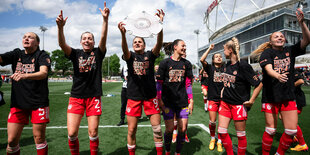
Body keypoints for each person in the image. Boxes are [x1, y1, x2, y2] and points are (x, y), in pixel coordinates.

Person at [251, 8, 310, 155]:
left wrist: (302, 23)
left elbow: (307, 40)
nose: (280, 37)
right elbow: (269, 69)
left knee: (291, 130)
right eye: (276, 36)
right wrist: (277, 75)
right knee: (271, 129)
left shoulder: (290, 51)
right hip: (271, 96)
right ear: (270, 41)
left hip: (288, 95)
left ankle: (279, 153)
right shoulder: (267, 53)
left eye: (281, 36)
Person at [56, 2, 109, 155]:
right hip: (76, 97)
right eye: (84, 38)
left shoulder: (98, 53)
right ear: (81, 42)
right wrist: (60, 28)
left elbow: (104, 37)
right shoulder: (75, 54)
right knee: (72, 134)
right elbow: (61, 44)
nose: (87, 40)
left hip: (94, 97)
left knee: (93, 132)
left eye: (90, 38)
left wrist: (105, 20)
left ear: (93, 41)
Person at [118, 9, 165, 155]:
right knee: (131, 130)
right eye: (135, 42)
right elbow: (124, 49)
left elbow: (159, 43)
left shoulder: (150, 55)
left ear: (144, 45)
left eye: (140, 42)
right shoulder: (130, 56)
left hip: (150, 97)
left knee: (157, 129)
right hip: (133, 97)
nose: (137, 43)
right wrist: (123, 34)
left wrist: (160, 25)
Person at [0, 32, 51, 155]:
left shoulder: (42, 55)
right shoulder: (16, 53)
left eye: (30, 37)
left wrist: (24, 75)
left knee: (39, 138)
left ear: (37, 42)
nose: (26, 38)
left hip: (38, 103)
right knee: (11, 141)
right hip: (18, 103)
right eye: (24, 37)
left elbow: (43, 73)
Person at [219, 37, 263, 155]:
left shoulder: (243, 66)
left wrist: (252, 100)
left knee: (240, 136)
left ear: (230, 50)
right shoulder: (227, 65)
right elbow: (229, 81)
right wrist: (224, 89)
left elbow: (258, 84)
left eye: (224, 50)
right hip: (225, 104)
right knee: (222, 132)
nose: (223, 53)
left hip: (239, 105)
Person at [157, 39, 194, 155]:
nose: (184, 48)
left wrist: (191, 99)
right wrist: (160, 100)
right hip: (167, 102)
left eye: (185, 46)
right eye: (183, 46)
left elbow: (188, 83)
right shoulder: (164, 63)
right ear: (175, 47)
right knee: (168, 130)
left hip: (182, 102)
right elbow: (159, 83)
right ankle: (167, 151)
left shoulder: (186, 64)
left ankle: (177, 153)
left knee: (182, 129)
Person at [200, 43, 224, 152]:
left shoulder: (226, 67)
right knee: (213, 121)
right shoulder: (210, 68)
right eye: (216, 56)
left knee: (222, 123)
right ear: (213, 60)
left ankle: (219, 142)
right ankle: (213, 139)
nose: (219, 57)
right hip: (213, 98)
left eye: (220, 56)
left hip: (224, 99)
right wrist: (210, 49)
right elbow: (202, 59)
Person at [171, 51, 192, 144]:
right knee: (175, 116)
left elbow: (188, 83)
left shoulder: (187, 65)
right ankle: (175, 133)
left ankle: (184, 134)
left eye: (185, 55)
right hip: (174, 96)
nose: (184, 55)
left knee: (185, 119)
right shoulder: (171, 64)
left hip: (184, 95)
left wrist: (190, 97)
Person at [290, 69, 308, 151]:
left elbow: (301, 81)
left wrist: (291, 87)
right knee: (285, 119)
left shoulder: (293, 71)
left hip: (297, 100)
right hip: (292, 100)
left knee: (292, 122)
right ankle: (294, 136)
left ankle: (302, 144)